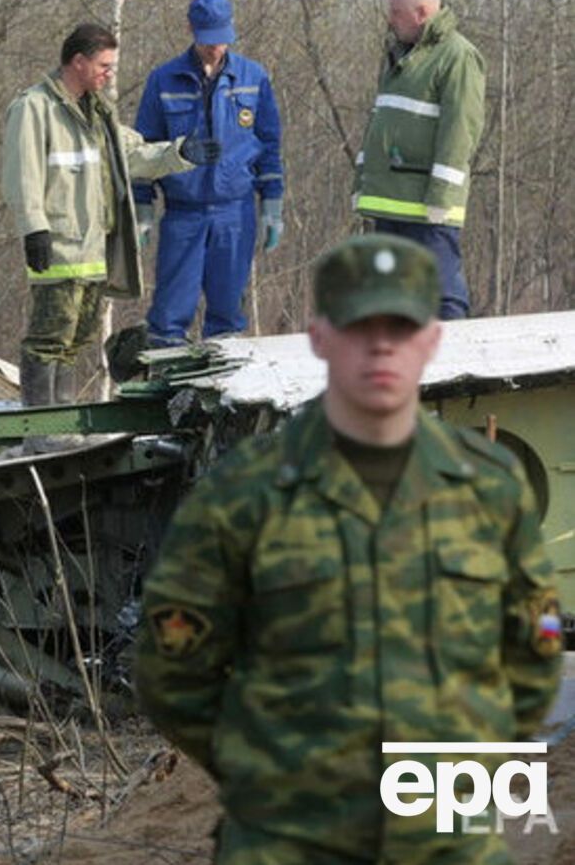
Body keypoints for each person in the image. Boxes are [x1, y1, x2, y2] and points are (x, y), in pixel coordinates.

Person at [133, 234, 562, 863]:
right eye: (360, 325)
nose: (381, 345)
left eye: (402, 325)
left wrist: (463, 769)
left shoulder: (489, 490)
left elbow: (536, 650)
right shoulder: (246, 493)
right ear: (320, 336)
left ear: (432, 339)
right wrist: (266, 770)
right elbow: (173, 670)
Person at [2, 22, 219, 414]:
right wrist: (33, 229)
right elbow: (22, 175)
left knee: (76, 340)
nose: (108, 73)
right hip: (58, 247)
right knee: (49, 338)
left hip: (92, 250)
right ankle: (39, 426)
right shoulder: (34, 108)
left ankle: (59, 421)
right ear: (79, 61)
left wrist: (183, 153)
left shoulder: (98, 113)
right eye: (104, 65)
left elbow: (134, 155)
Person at [133, 0, 284, 347]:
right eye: (208, 39)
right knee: (169, 316)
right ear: (191, 30)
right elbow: (143, 150)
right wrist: (142, 210)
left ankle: (223, 392)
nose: (216, 47)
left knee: (228, 315)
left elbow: (269, 145)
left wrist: (273, 207)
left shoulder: (253, 78)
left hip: (235, 212)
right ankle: (168, 391)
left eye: (222, 38)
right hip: (183, 214)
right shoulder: (164, 80)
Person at [354, 0, 485, 320]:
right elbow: (381, 122)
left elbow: (460, 130)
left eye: (397, 13)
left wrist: (442, 194)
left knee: (442, 295)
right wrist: (363, 179)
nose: (391, 19)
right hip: (392, 200)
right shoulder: (402, 56)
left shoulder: (457, 56)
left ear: (422, 12)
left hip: (428, 207)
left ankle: (454, 367)